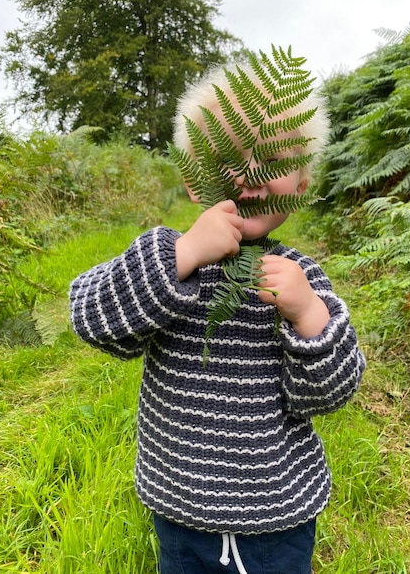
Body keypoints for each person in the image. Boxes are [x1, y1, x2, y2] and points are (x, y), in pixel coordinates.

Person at [69, 61, 366, 574]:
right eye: (228, 158)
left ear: (302, 180)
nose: (250, 176)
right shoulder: (170, 256)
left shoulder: (300, 276)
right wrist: (182, 255)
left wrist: (309, 315)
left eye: (273, 160)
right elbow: (91, 318)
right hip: (179, 507)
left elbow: (329, 395)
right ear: (192, 179)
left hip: (279, 514)